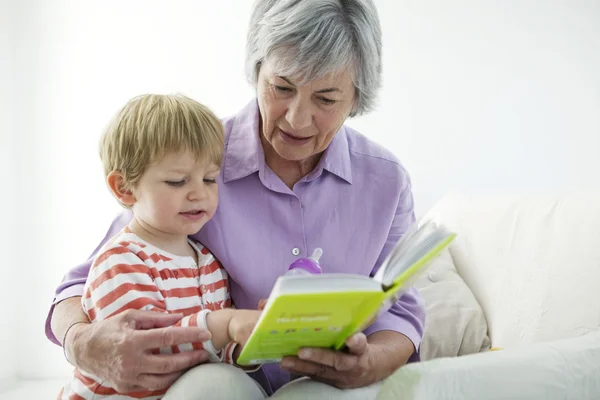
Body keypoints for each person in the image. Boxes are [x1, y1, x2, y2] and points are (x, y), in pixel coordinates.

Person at [47, 0, 425, 398]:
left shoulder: (386, 180)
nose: (297, 118)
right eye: (282, 88)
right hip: (223, 381)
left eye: (326, 99)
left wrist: (371, 363)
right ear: (257, 71)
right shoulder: (194, 161)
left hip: (331, 384)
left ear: (356, 98)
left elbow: (401, 309)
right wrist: (82, 343)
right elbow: (80, 284)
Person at [57, 94, 263, 399]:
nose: (198, 193)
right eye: (178, 182)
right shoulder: (120, 261)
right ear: (124, 188)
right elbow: (149, 350)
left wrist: (254, 341)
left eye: (209, 179)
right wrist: (226, 323)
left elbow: (214, 355)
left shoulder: (209, 264)